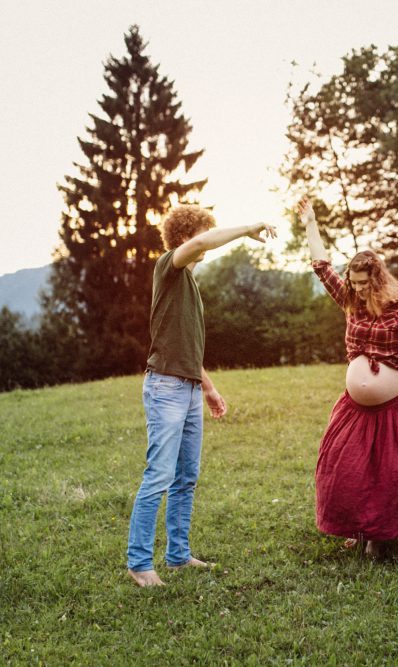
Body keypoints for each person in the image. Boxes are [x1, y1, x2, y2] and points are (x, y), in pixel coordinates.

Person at [297, 197, 398, 557]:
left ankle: (380, 535)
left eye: (362, 283)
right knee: (344, 470)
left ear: (378, 277)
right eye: (352, 282)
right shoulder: (351, 302)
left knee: (391, 474)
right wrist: (311, 223)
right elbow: (322, 268)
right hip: (354, 406)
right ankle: (358, 526)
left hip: (393, 407)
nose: (356, 289)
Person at [127, 205, 277, 587]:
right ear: (185, 238)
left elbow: (186, 345)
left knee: (186, 477)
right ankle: (139, 564)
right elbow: (203, 242)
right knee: (159, 474)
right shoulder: (168, 266)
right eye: (201, 234)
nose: (206, 242)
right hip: (165, 388)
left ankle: (178, 556)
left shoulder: (189, 284)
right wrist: (247, 228)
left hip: (188, 387)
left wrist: (208, 387)